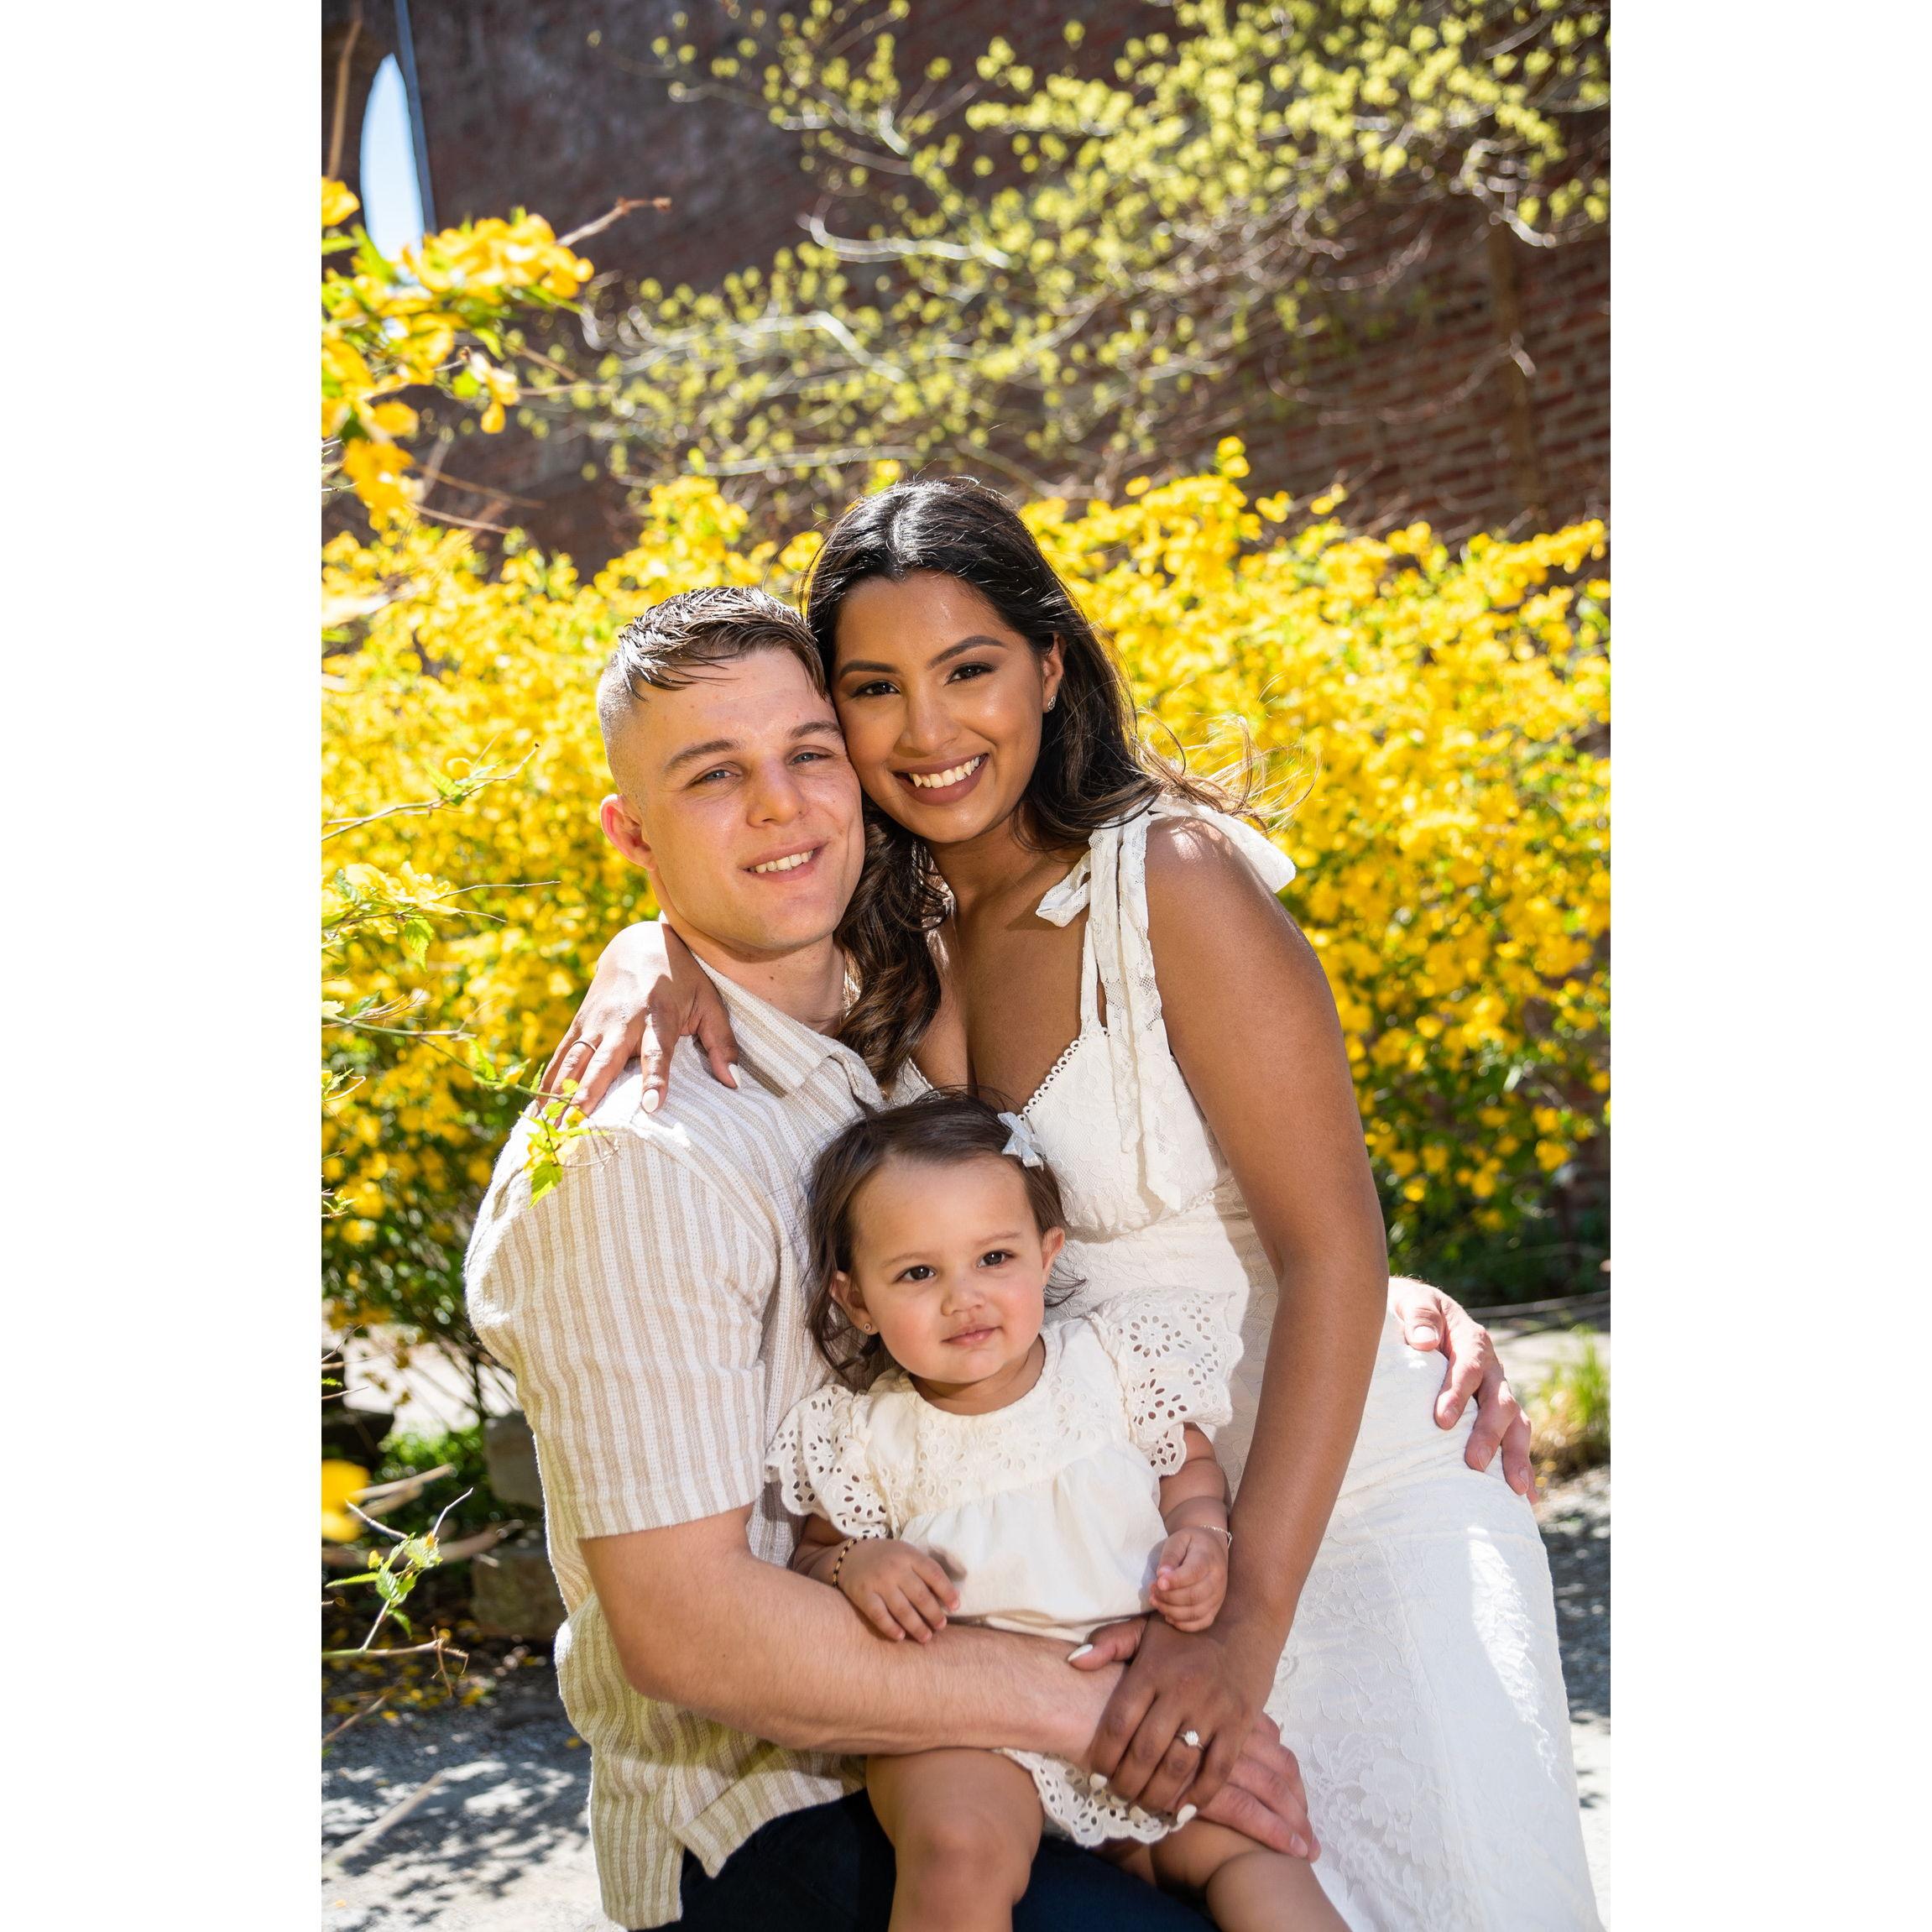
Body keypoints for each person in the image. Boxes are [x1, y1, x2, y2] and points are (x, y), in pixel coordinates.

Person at [551, 478, 1601, 1927]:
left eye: (969, 668)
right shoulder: (890, 940)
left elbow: (1330, 1247)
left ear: (1050, 666)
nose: (927, 730)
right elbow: (736, 912)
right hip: (1119, 1548)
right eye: (873, 689)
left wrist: (1238, 1636)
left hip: (1340, 1508)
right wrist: (643, 947)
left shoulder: (1168, 879)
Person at [466, 587, 1314, 1932]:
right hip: (780, 1813)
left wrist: (1401, 1317)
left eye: (808, 752)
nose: (779, 805)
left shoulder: (887, 1022)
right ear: (629, 831)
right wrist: (1098, 1709)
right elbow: (688, 1631)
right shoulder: (637, 1160)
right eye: (712, 775)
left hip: (997, 1723)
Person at [775, 1089, 1347, 1932]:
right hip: (964, 1730)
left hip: (1139, 1697)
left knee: (1254, 1850)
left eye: (993, 1258)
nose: (963, 1297)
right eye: (918, 1273)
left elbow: (1186, 1468)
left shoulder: (1112, 1363)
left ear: (1047, 1255)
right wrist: (853, 1563)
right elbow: (809, 1558)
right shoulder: (864, 1433)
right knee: (957, 1850)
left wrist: (1202, 1536)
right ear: (856, 1299)